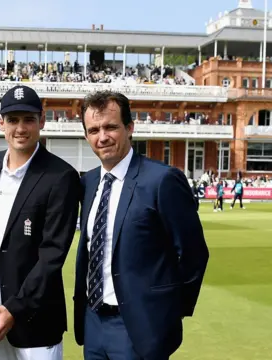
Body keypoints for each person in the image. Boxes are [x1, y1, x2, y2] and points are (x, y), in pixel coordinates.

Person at [74, 90, 209, 360]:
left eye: (111, 127)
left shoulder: (162, 180)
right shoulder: (88, 182)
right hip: (93, 322)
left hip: (140, 327)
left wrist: (166, 312)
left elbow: (194, 254)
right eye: (93, 130)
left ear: (130, 128)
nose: (102, 137)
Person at [0, 85, 81, 360]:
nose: (20, 128)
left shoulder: (62, 176)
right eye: (12, 120)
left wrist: (15, 307)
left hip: (36, 313)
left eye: (28, 119)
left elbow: (52, 256)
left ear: (42, 121)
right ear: (1, 123)